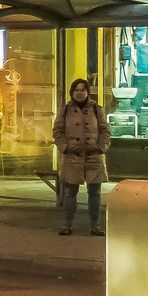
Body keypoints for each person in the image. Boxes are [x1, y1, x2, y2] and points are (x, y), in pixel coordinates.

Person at [53, 77, 110, 236]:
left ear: (88, 92)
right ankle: (67, 224)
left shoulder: (96, 109)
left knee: (95, 192)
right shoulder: (64, 110)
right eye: (76, 90)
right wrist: (65, 147)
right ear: (72, 92)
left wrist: (100, 147)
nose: (79, 93)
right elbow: (57, 131)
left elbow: (105, 130)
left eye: (83, 90)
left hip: (93, 155)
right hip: (72, 156)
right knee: (70, 192)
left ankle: (95, 225)